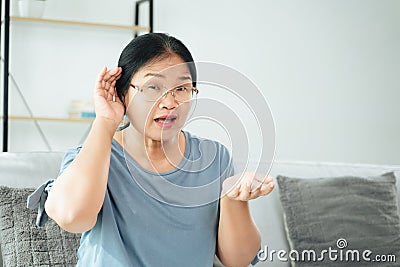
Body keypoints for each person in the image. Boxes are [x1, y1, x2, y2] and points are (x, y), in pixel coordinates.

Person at [28, 33, 275, 267]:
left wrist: (233, 199)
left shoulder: (214, 158)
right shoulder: (95, 157)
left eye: (181, 89)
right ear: (122, 93)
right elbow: (72, 217)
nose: (169, 103)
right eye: (152, 88)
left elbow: (238, 260)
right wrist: (105, 121)